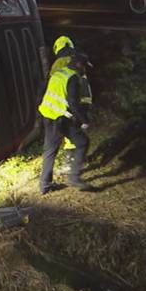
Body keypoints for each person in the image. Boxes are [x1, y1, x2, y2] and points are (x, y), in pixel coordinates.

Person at [38, 52, 94, 194]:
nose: (85, 70)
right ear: (79, 65)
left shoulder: (59, 73)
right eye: (84, 67)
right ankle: (74, 177)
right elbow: (73, 103)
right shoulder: (73, 78)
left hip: (47, 115)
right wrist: (84, 121)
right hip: (60, 119)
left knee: (49, 150)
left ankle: (44, 185)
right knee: (82, 142)